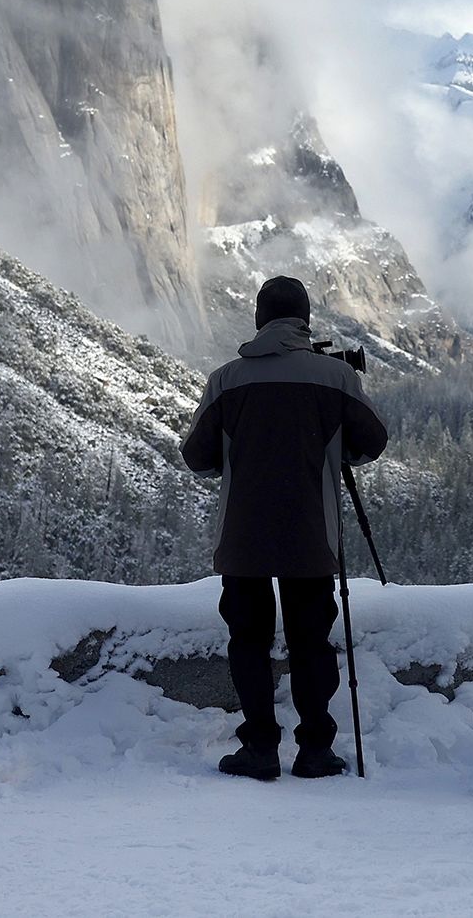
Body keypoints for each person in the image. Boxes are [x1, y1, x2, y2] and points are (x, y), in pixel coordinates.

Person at [181, 275, 388, 782]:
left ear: (259, 319)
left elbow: (196, 457)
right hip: (310, 536)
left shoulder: (226, 380)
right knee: (310, 642)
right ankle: (315, 748)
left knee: (248, 641)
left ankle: (259, 748)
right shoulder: (335, 379)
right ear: (305, 321)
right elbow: (372, 442)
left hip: (244, 536)